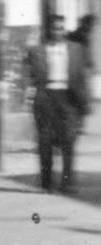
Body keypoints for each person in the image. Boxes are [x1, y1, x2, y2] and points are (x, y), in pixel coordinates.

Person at [24, 12, 89, 193]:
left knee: (68, 141)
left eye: (61, 28)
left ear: (64, 29)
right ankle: (46, 183)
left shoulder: (76, 49)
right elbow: (31, 76)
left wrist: (84, 105)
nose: (57, 32)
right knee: (45, 142)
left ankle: (66, 184)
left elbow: (81, 78)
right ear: (49, 30)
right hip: (46, 98)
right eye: (54, 28)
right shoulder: (37, 51)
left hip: (68, 98)